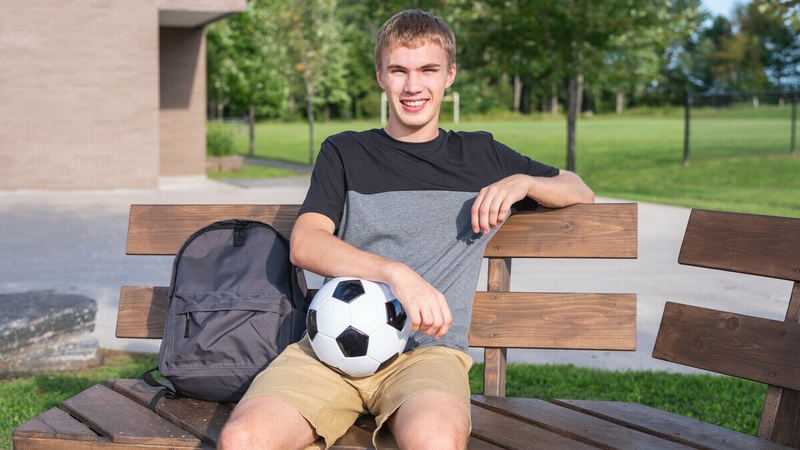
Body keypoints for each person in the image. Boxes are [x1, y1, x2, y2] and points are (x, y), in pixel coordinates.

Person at [218, 9, 594, 450]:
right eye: (399, 70)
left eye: (428, 70)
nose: (413, 86)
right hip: (328, 351)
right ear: (380, 75)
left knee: (434, 440)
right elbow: (305, 243)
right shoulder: (344, 151)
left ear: (450, 75)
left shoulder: (481, 155)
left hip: (427, 356)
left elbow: (579, 189)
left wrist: (525, 182)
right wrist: (396, 273)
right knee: (242, 439)